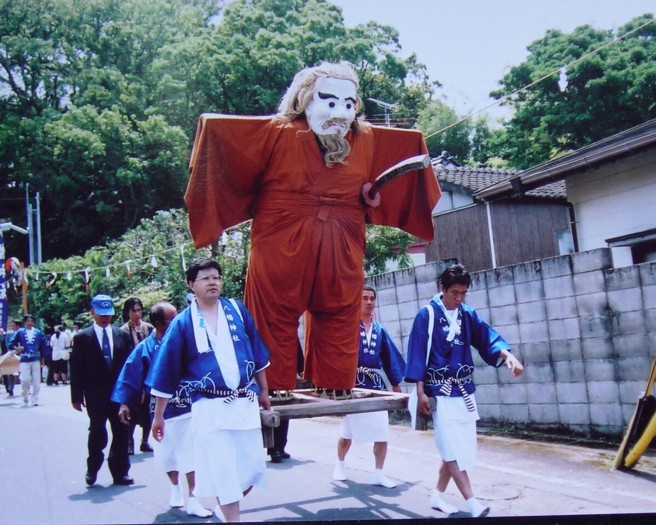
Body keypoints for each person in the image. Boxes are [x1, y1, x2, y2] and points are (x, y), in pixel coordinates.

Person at [185, 61, 441, 391]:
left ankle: (334, 382)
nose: (341, 113)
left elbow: (409, 145)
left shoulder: (365, 139)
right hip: (282, 232)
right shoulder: (277, 132)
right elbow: (221, 132)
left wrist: (370, 195)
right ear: (304, 100)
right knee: (273, 313)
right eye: (330, 102)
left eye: (349, 105)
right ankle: (272, 385)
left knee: (339, 311)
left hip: (344, 236)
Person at [147, 257, 271, 523]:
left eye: (216, 277)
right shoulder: (182, 323)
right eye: (205, 278)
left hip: (244, 403)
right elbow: (166, 371)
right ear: (192, 285)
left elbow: (258, 356)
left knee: (252, 470)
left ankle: (224, 511)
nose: (213, 282)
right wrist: (158, 416)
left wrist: (264, 391)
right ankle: (232, 518)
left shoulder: (237, 311)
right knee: (224, 472)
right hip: (209, 407)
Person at [404, 264, 524, 517]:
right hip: (439, 391)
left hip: (464, 390)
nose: (459, 298)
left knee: (457, 446)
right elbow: (416, 352)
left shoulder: (467, 314)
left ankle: (437, 496)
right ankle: (472, 503)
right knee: (450, 447)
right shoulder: (427, 315)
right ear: (442, 289)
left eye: (463, 294)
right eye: (454, 293)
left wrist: (507, 356)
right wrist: (421, 390)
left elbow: (486, 337)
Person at [112, 302, 212, 518]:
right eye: (172, 319)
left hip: (185, 405)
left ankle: (194, 499)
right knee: (166, 455)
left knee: (190, 454)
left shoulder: (186, 342)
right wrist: (124, 403)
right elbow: (130, 375)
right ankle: (175, 487)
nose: (177, 321)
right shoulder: (145, 348)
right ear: (159, 324)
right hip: (159, 410)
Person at [332, 285, 406, 488]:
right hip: (353, 385)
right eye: (364, 298)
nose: (369, 302)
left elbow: (390, 356)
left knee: (382, 432)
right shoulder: (348, 327)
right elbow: (337, 355)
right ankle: (339, 464)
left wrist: (395, 383)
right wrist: (338, 385)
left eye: (372, 298)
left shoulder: (380, 330)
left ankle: (379, 474)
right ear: (357, 301)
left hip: (376, 385)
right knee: (347, 432)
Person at [70, 294, 134, 487]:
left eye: (108, 315)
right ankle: (93, 468)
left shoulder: (122, 335)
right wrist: (76, 396)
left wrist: (132, 392)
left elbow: (129, 366)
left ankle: (120, 472)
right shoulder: (82, 338)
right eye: (101, 314)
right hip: (95, 395)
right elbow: (76, 369)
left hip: (118, 395)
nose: (105, 319)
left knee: (121, 433)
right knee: (98, 432)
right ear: (92, 313)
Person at [121, 297, 155, 454]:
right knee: (132, 411)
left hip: (149, 373)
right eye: (134, 310)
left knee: (148, 410)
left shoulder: (149, 329)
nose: (137, 313)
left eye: (139, 310)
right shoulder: (123, 331)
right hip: (133, 374)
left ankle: (145, 440)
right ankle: (128, 441)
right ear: (128, 312)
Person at [11, 314, 49, 407]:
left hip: (36, 358)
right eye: (28, 321)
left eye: (31, 321)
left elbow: (44, 346)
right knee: (25, 379)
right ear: (25, 322)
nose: (29, 323)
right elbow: (11, 343)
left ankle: (35, 399)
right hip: (24, 358)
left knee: (36, 380)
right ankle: (25, 396)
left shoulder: (38, 332)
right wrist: (17, 348)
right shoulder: (20, 332)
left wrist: (44, 358)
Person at [1, 319, 20, 396]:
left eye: (13, 325)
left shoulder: (22, 332)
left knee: (23, 372)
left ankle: (25, 388)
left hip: (22, 354)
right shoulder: (9, 334)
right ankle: (10, 389)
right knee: (11, 372)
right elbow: (7, 343)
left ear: (17, 325)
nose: (12, 326)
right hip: (12, 353)